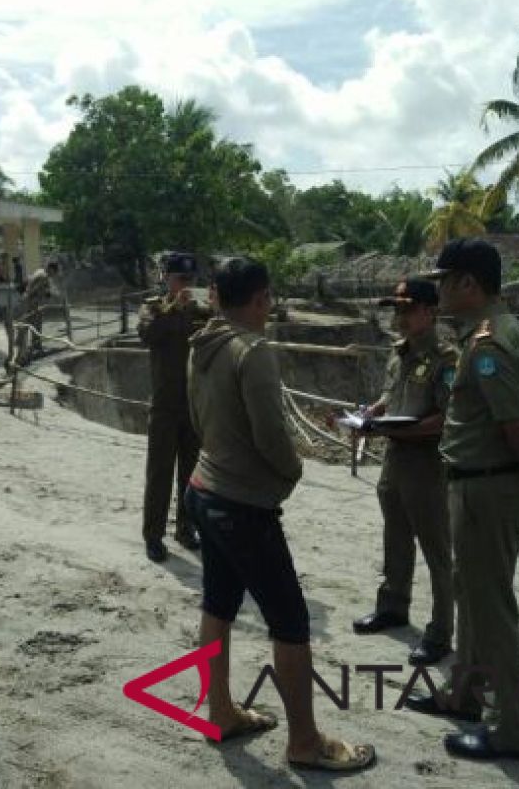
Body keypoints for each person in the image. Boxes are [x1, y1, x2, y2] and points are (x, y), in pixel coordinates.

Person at [185, 257, 375, 774]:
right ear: (261, 299)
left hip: (204, 488)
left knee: (218, 606)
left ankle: (220, 711)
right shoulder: (253, 352)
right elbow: (273, 436)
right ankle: (305, 742)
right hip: (243, 504)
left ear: (216, 297)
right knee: (290, 622)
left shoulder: (201, 345)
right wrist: (291, 473)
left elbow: (197, 416)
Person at [404, 238, 519, 761]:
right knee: (472, 597)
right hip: (486, 484)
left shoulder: (488, 347)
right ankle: (465, 695)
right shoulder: (511, 332)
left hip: (486, 487)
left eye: (447, 279)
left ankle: (510, 730)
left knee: (493, 609)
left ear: (469, 284)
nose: (441, 290)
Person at [352, 279, 459, 667]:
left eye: (407, 308)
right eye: (396, 309)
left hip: (427, 463)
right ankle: (393, 606)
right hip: (395, 457)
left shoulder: (447, 359)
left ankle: (440, 631)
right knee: (395, 536)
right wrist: (373, 413)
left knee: (436, 550)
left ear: (431, 312)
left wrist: (402, 429)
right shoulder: (398, 354)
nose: (399, 316)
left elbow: (447, 418)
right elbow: (390, 394)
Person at [138, 252, 212, 562]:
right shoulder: (153, 307)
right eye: (180, 278)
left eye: (190, 280)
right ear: (167, 278)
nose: (185, 284)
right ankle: (153, 535)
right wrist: (174, 310)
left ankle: (186, 528)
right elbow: (147, 334)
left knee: (191, 474)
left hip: (193, 406)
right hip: (165, 405)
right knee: (159, 473)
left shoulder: (202, 311)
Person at [14, 260, 59, 365]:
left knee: (27, 324)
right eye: (54, 272)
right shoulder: (44, 277)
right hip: (32, 303)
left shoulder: (39, 271)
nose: (54, 275)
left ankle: (26, 347)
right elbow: (34, 290)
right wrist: (35, 305)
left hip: (28, 302)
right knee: (34, 325)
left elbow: (33, 287)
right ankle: (33, 348)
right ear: (51, 269)